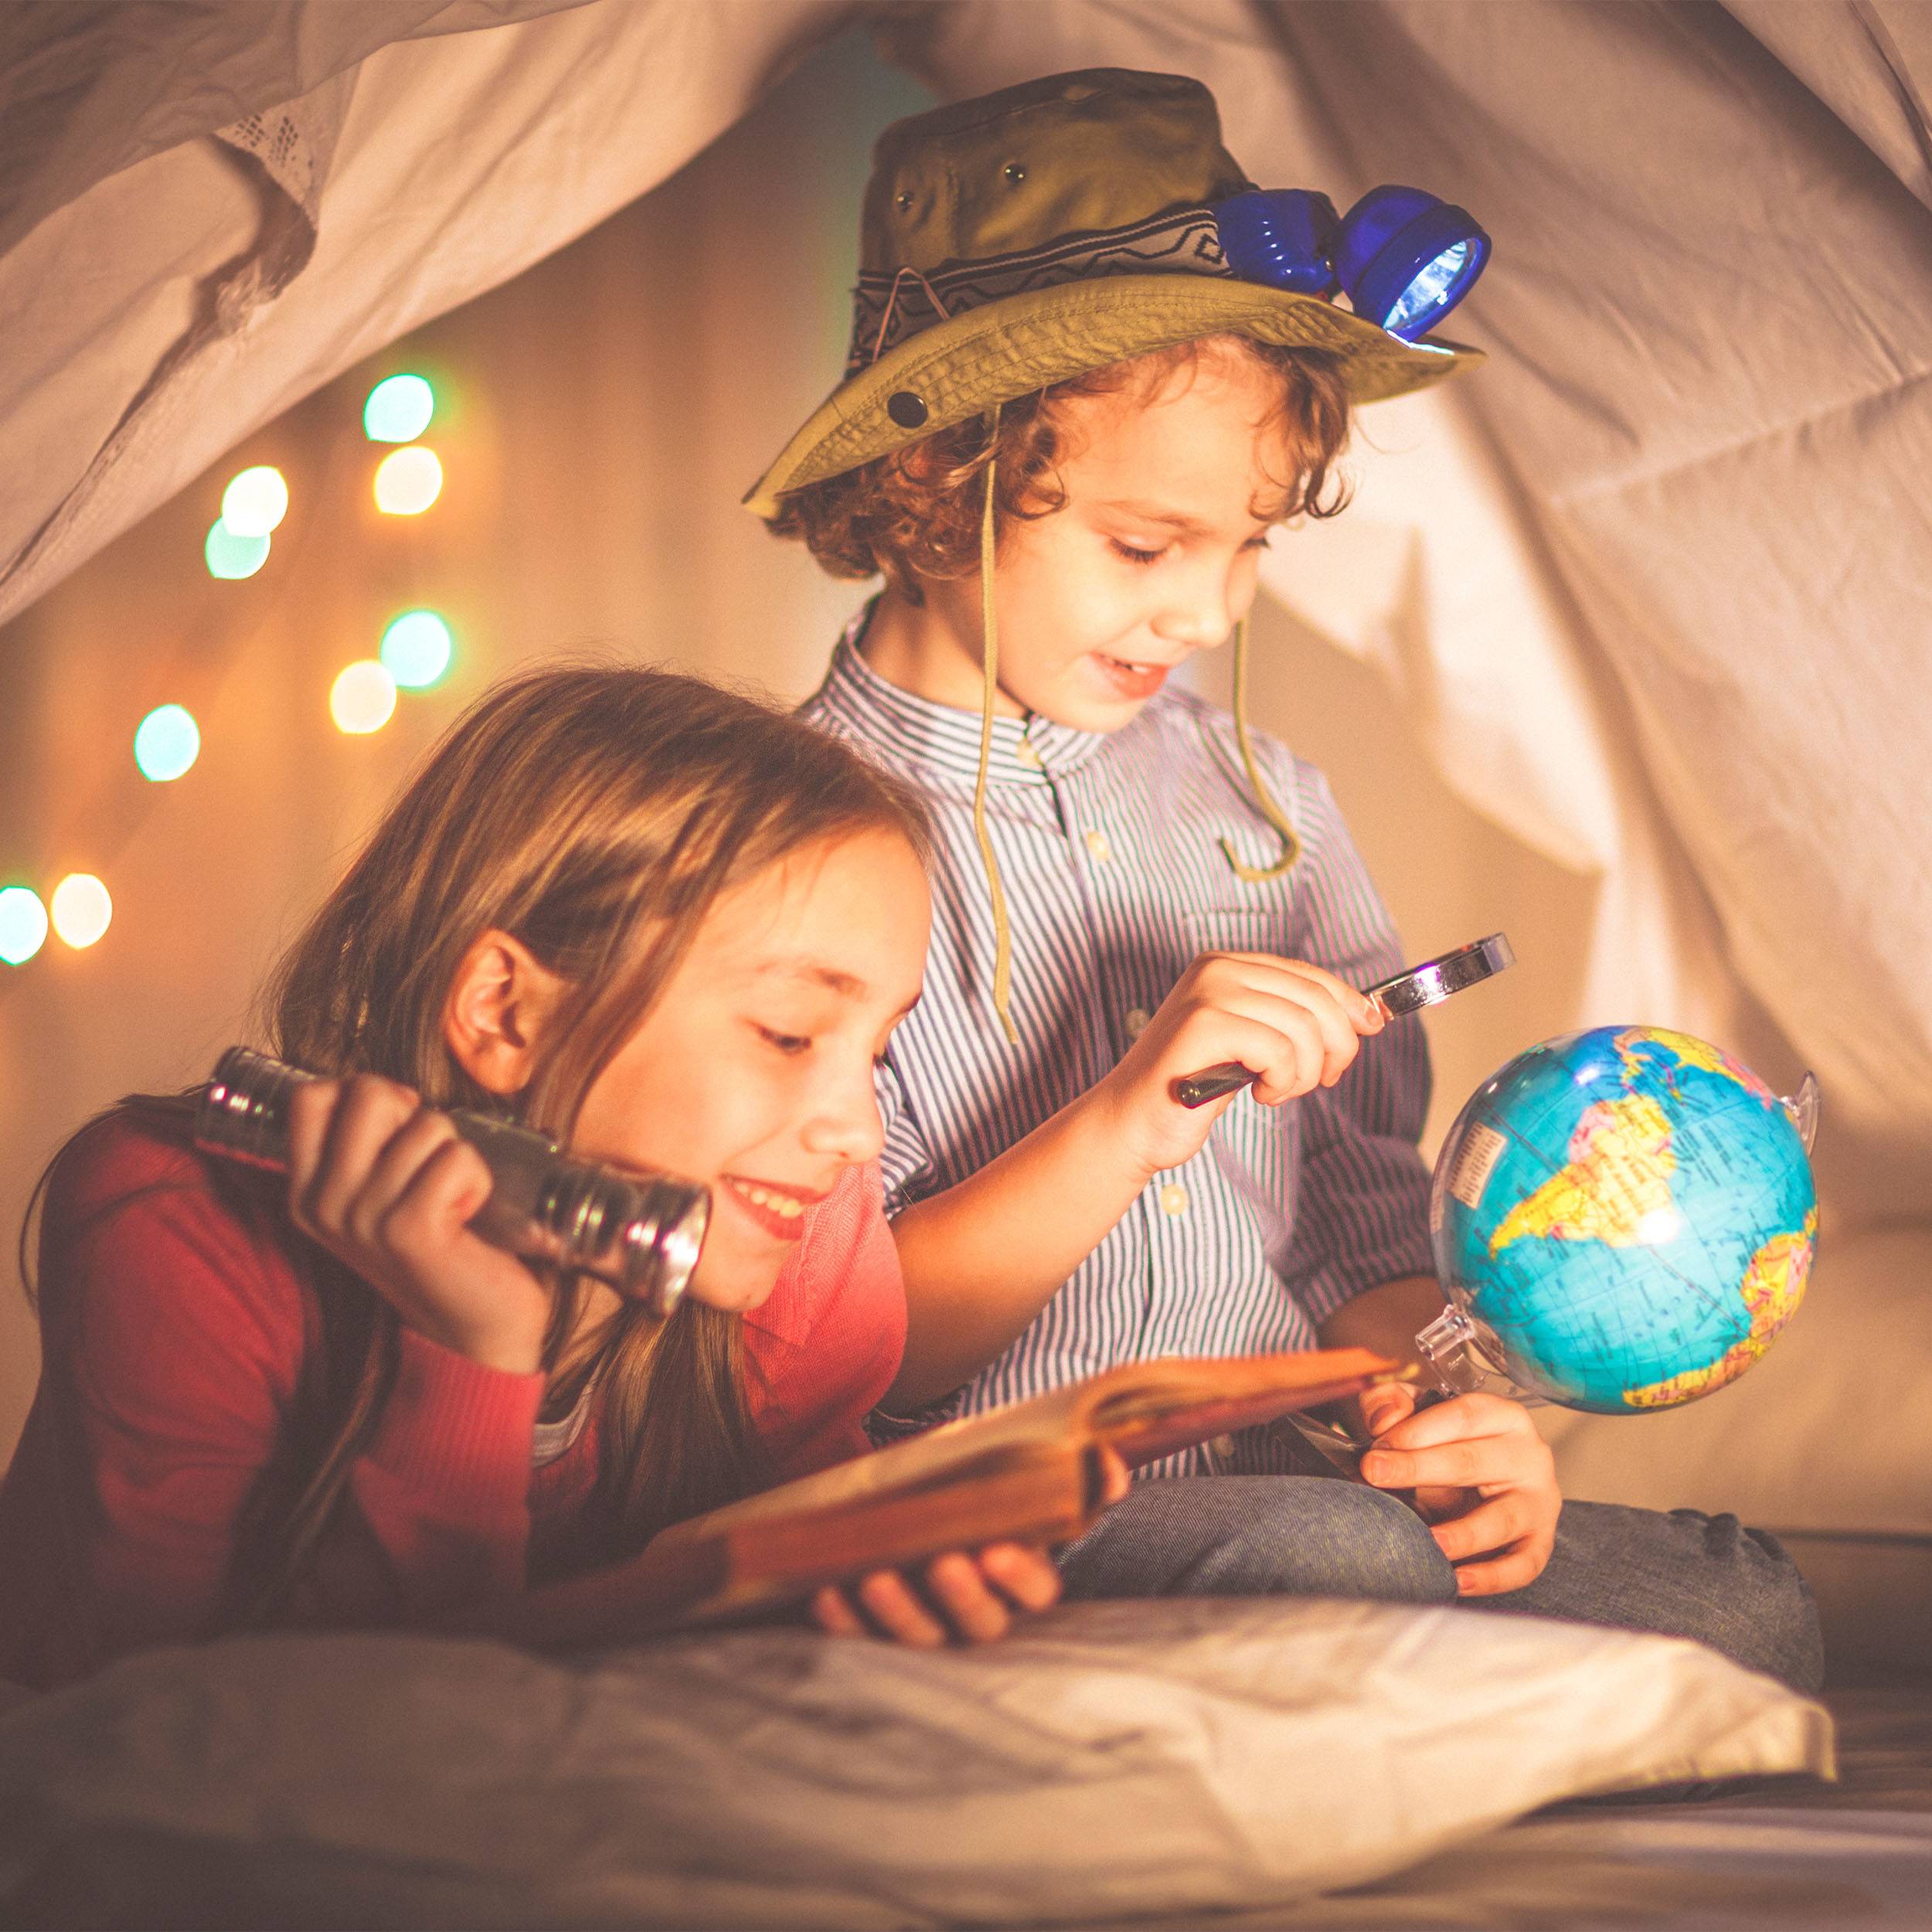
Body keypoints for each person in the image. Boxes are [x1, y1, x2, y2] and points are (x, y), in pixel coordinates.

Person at [757, 68, 1821, 1689]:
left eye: (1247, 542)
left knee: (1747, 1613)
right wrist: (1132, 1112)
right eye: (1144, 546)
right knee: (1329, 1563)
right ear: (930, 486)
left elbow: (1350, 1214)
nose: (1207, 613)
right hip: (1006, 1512)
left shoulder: (1272, 807)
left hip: (1301, 1481)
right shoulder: (782, 840)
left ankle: (1356, 1678)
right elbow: (851, 1345)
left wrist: (1437, 1407)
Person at [0, 666, 1075, 1691]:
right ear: (507, 1013)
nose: (859, 1133)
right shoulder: (176, 1224)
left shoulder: (806, 1244)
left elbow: (733, 1631)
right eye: (790, 1035)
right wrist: (471, 1357)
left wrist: (865, 1584)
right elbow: (260, 1743)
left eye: (877, 1050)